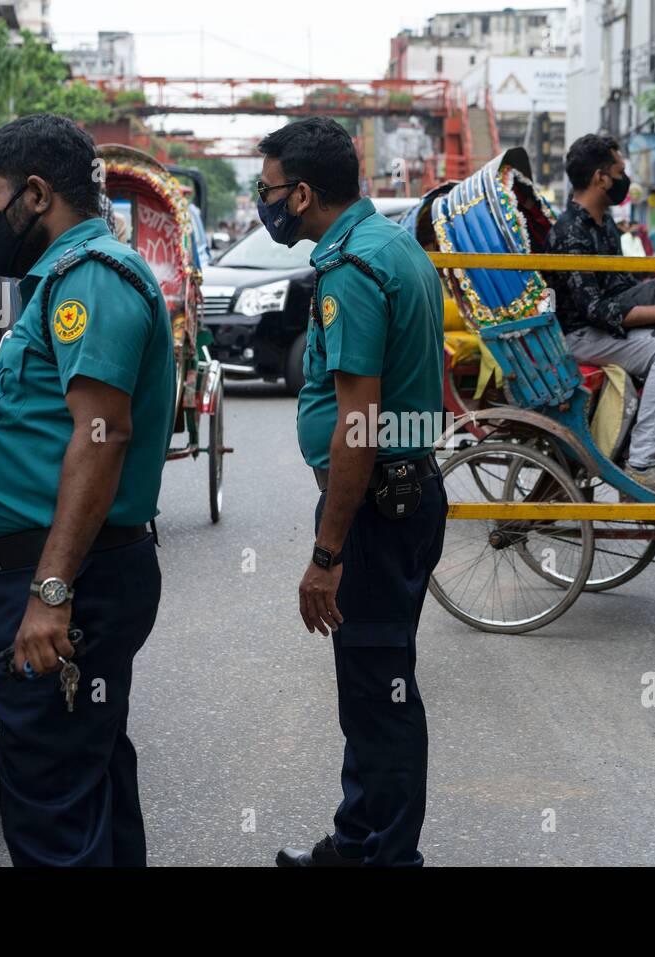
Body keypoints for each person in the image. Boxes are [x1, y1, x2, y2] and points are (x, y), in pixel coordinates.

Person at [0, 113, 176, 866]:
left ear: (35, 194)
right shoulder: (71, 276)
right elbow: (49, 430)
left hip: (71, 582)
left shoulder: (90, 279)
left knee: (51, 806)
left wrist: (50, 588)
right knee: (88, 775)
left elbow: (103, 437)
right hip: (68, 567)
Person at [265, 118, 447, 868]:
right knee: (373, 687)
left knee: (382, 691)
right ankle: (359, 841)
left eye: (269, 190)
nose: (264, 202)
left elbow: (359, 425)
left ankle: (386, 857)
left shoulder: (352, 269)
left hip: (377, 507)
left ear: (303, 193)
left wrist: (326, 551)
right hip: (404, 493)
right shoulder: (395, 245)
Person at [545, 133, 655, 496]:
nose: (625, 178)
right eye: (620, 170)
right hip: (581, 336)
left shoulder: (604, 224)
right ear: (601, 177)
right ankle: (645, 463)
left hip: (606, 331)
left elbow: (622, 287)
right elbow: (593, 309)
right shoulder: (571, 232)